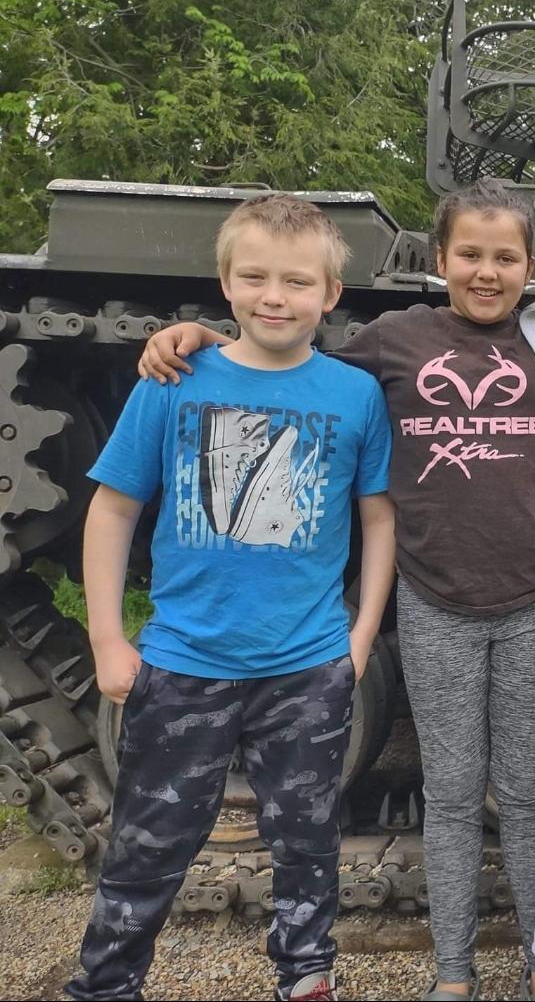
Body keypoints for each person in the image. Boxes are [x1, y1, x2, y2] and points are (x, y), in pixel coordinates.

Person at [138, 181, 535, 1002]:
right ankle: (453, 973)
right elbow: (288, 364)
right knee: (452, 794)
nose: (486, 272)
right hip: (436, 602)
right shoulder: (398, 337)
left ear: (530, 265)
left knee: (527, 793)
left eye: (505, 258)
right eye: (469, 254)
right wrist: (204, 336)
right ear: (439, 258)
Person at [67, 193, 395, 1002]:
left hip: (307, 666)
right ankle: (105, 985)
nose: (273, 296)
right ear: (225, 283)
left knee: (308, 842)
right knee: (147, 845)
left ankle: (306, 976)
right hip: (185, 661)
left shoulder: (354, 395)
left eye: (296, 281)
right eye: (254, 277)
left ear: (330, 293)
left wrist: (359, 637)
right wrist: (107, 637)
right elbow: (114, 507)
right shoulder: (174, 381)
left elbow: (379, 517)